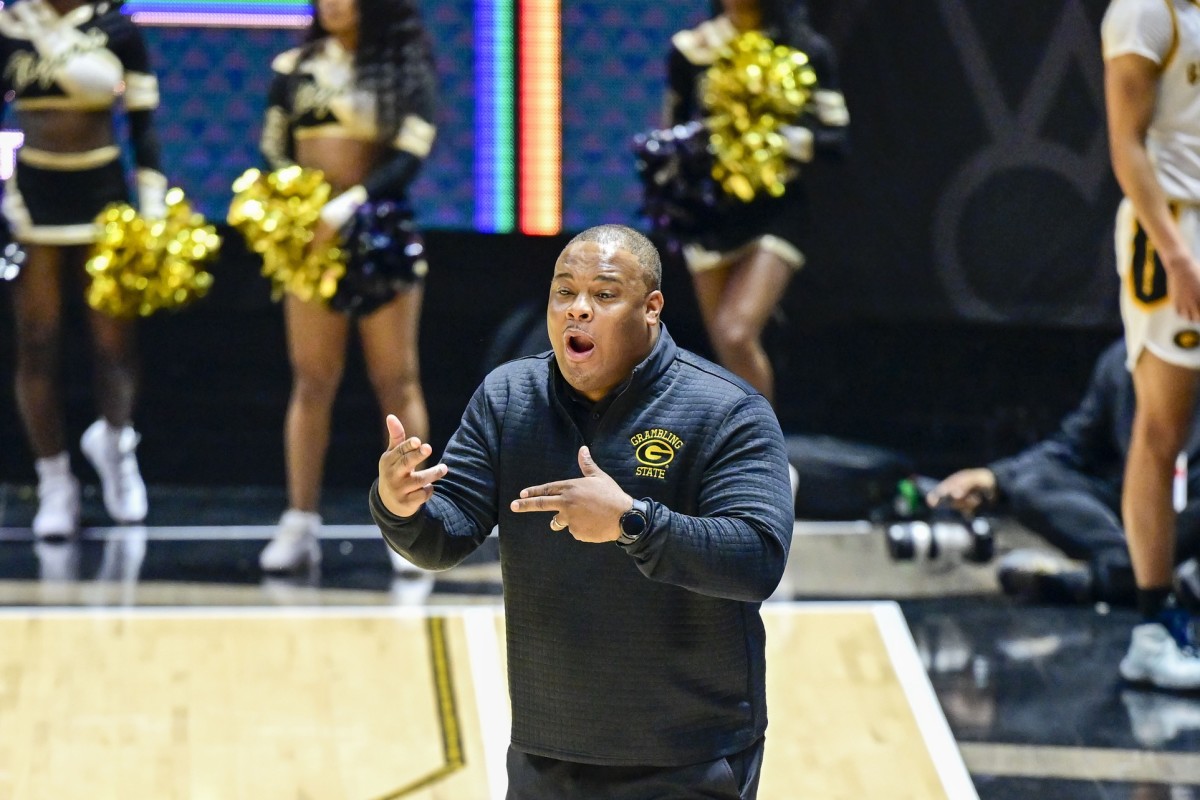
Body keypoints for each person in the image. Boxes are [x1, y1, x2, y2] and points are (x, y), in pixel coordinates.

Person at [370, 224, 793, 799]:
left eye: (604, 294)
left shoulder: (726, 409)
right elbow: (445, 537)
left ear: (651, 308)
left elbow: (757, 559)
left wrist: (632, 523)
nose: (578, 310)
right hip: (548, 752)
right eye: (564, 292)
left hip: (688, 755)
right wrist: (400, 507)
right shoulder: (508, 398)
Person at [254, 0, 437, 573]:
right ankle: (300, 522)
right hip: (311, 243)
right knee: (311, 379)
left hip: (379, 234)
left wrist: (350, 205)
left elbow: (409, 156)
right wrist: (293, 207)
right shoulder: (292, 69)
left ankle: (409, 522)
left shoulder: (405, 68)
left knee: (396, 378)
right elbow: (274, 147)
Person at [0, 0, 165, 538]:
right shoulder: (10, 26)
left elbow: (143, 125)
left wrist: (153, 207)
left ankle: (116, 445)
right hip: (33, 201)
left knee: (114, 343)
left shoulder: (116, 29)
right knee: (37, 341)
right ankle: (54, 481)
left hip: (104, 198)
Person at [661, 0, 848, 405]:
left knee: (737, 331)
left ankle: (766, 459)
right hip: (709, 216)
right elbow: (671, 131)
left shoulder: (805, 50)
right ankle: (741, 456)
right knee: (727, 356)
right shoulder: (692, 49)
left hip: (776, 209)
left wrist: (779, 142)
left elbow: (837, 138)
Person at [927, 340, 1200, 606]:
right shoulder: (1123, 359)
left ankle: (1108, 580)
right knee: (1031, 484)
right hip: (1140, 510)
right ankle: (1142, 575)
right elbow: (1072, 446)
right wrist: (995, 478)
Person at [1101, 0, 1200, 690]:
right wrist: (1175, 253)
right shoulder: (1143, 10)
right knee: (1162, 428)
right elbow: (1125, 141)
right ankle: (1151, 622)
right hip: (1174, 234)